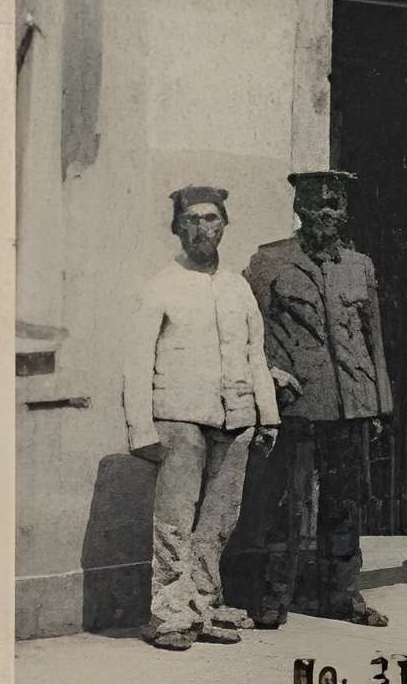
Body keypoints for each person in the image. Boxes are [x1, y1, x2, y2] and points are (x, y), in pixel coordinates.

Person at [127, 186, 281, 650]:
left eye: (211, 219)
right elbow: (136, 359)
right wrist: (141, 428)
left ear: (224, 225)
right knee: (174, 521)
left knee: (217, 522)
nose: (201, 228)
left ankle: (203, 607)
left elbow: (256, 353)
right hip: (179, 418)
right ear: (177, 227)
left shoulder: (238, 287)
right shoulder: (160, 286)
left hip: (235, 419)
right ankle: (170, 617)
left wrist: (267, 415)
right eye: (191, 219)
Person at [242, 168, 390, 630]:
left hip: (351, 403)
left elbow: (374, 339)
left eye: (336, 204)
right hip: (298, 403)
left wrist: (379, 402)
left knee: (345, 504)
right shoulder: (270, 262)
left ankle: (342, 596)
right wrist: (269, 379)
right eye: (317, 203)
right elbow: (252, 333)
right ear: (299, 208)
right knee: (288, 505)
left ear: (344, 212)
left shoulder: (359, 265)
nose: (327, 211)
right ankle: (273, 598)